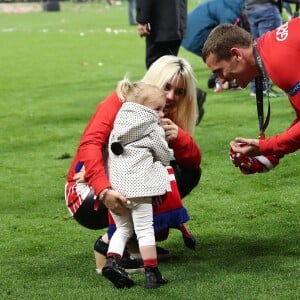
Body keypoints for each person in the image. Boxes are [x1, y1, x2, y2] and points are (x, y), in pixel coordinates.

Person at [64, 55, 202, 275]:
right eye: (167, 86)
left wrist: (180, 137)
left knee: (184, 173)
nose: (171, 96)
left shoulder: (163, 110)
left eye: (179, 92)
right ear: (155, 78)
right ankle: (108, 244)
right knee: (151, 176)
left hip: (127, 181)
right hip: (88, 191)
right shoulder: (121, 100)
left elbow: (193, 164)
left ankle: (134, 244)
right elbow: (90, 144)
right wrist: (102, 187)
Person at [102, 79, 188, 289]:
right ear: (144, 109)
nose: (161, 114)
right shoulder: (152, 128)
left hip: (116, 187)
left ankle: (113, 260)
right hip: (140, 187)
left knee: (122, 228)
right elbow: (163, 154)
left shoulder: (119, 124)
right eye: (157, 109)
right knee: (144, 230)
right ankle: (152, 272)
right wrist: (169, 153)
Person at [202, 18, 300, 174]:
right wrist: (270, 155)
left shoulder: (277, 60)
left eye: (219, 71)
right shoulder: (270, 49)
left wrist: (265, 147)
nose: (221, 80)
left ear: (236, 55)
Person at [136, 0, 207, 124]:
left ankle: (192, 94)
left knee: (158, 72)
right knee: (169, 73)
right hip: (177, 23)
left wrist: (142, 19)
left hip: (160, 23)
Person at [245, 0, 283, 97]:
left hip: (251, 8)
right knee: (269, 50)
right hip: (267, 8)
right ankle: (264, 87)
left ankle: (258, 88)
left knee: (257, 50)